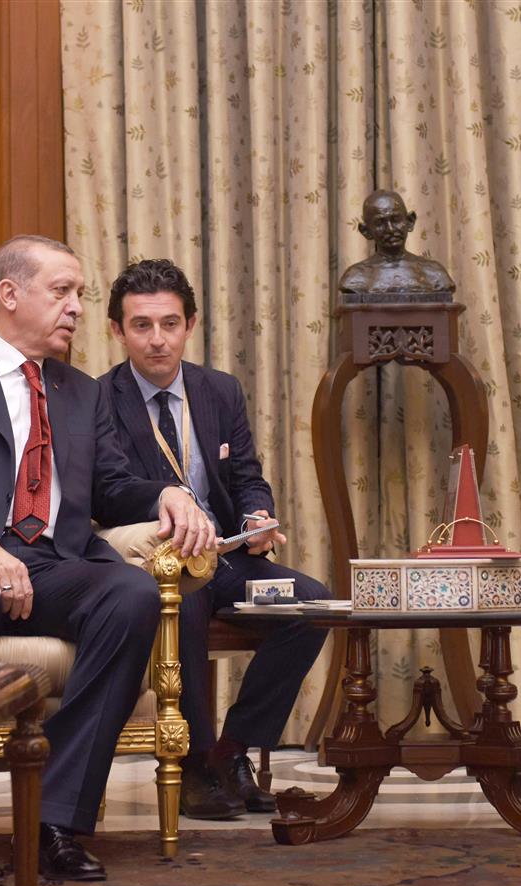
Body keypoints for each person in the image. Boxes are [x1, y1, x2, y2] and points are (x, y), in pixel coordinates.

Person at [0, 235, 213, 886]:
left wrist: (167, 489)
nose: (77, 307)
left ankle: (54, 818)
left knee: (130, 594)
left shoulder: (83, 392)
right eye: (63, 291)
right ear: (10, 294)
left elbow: (111, 484)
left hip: (51, 559)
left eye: (79, 294)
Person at [98, 258, 328, 820]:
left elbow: (246, 474)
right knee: (186, 608)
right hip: (153, 562)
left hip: (224, 554)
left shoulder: (219, 390)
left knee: (311, 605)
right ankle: (197, 764)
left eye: (170, 324)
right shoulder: (98, 400)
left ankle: (232, 749)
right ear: (117, 330)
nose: (157, 340)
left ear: (191, 324)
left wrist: (255, 517)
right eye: (142, 326)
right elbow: (106, 492)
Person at [337, 189, 456, 294]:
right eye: (380, 223)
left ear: (410, 221)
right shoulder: (355, 277)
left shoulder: (434, 274)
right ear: (366, 231)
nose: (390, 229)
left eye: (396, 220)